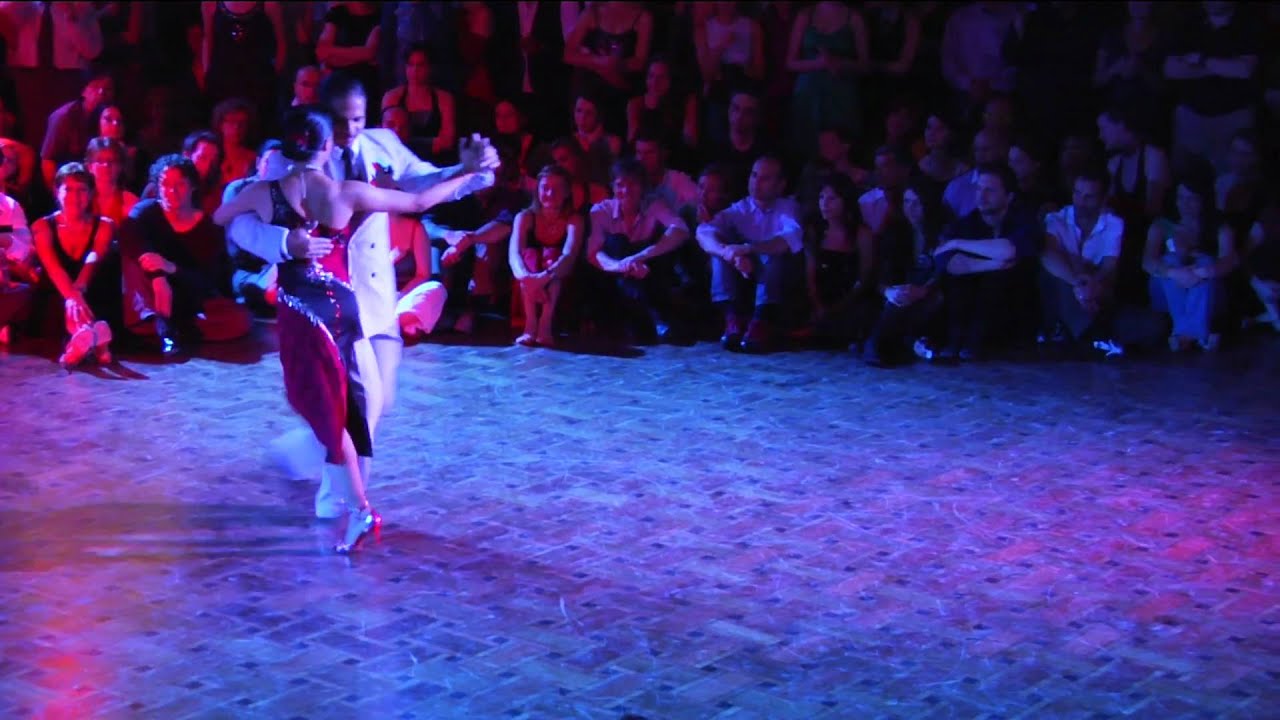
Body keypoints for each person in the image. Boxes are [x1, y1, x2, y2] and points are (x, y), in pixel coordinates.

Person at [213, 106, 490, 553]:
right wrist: (470, 173)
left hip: (305, 313)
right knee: (340, 408)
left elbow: (220, 216)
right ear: (327, 147)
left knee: (326, 411)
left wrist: (279, 236)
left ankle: (360, 509)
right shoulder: (346, 192)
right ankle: (354, 503)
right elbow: (419, 203)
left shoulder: (265, 193)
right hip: (343, 305)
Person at [31, 163, 115, 368]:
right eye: (68, 189)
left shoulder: (105, 225)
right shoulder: (42, 226)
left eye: (81, 190)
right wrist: (71, 297)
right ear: (57, 192)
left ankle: (79, 344)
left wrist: (78, 290)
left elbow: (94, 258)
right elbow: (53, 268)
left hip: (88, 291)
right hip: (57, 292)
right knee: (61, 307)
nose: (75, 197)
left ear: (91, 193)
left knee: (93, 298)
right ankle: (98, 344)